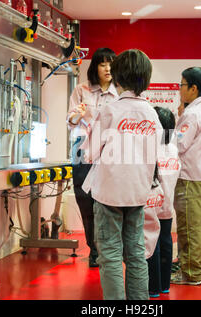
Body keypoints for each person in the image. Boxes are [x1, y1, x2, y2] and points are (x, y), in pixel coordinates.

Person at [80, 49, 162, 300]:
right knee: (137, 253)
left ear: (117, 76)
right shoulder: (152, 114)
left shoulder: (110, 111)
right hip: (138, 193)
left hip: (109, 194)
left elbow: (89, 154)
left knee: (111, 255)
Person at [67, 48, 118, 268]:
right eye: (103, 64)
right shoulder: (82, 89)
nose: (108, 68)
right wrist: (78, 114)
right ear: (95, 67)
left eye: (111, 64)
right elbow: (70, 120)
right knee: (85, 201)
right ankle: (94, 249)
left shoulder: (120, 93)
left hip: (110, 150)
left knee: (108, 200)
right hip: (82, 150)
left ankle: (108, 248)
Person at [171, 67, 201, 286]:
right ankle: (192, 267)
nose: (179, 89)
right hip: (199, 176)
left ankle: (191, 273)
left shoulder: (192, 113)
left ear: (193, 88)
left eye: (182, 85)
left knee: (189, 226)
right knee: (194, 224)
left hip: (189, 177)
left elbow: (179, 144)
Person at [146, 106, 180, 297]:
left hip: (152, 204)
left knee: (152, 244)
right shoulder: (174, 150)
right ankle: (165, 284)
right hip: (168, 203)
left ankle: (153, 287)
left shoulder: (151, 150)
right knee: (166, 240)